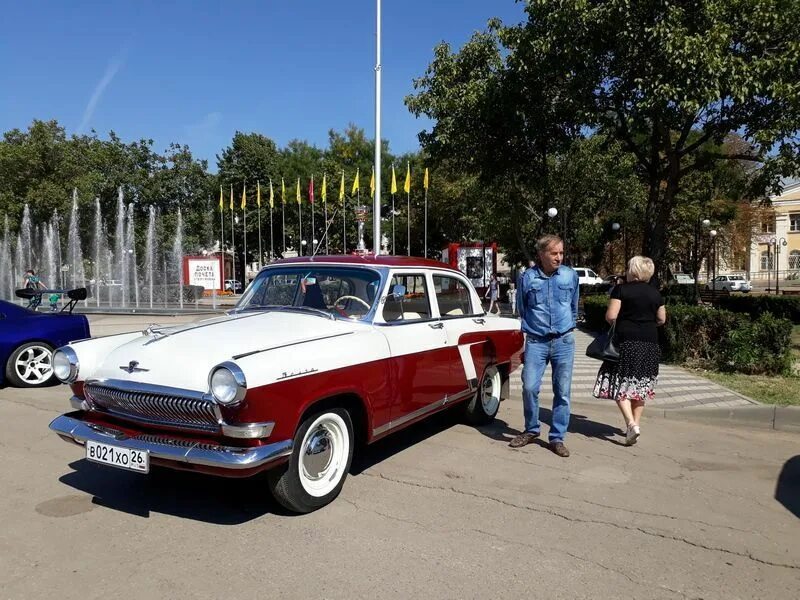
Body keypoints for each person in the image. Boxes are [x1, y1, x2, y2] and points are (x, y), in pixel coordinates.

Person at [509, 235, 579, 458]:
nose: (559, 257)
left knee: (562, 392)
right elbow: (522, 308)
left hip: (563, 341)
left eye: (561, 253)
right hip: (537, 341)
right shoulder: (527, 278)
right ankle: (531, 429)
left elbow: (574, 306)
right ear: (541, 255)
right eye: (554, 253)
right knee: (529, 387)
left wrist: (567, 328)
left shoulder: (570, 275)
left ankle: (557, 437)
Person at [592, 256, 666, 446]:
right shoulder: (655, 293)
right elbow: (662, 319)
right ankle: (634, 427)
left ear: (633, 271)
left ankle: (631, 423)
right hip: (650, 343)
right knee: (641, 386)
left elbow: (611, 316)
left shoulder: (621, 289)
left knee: (619, 383)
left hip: (626, 342)